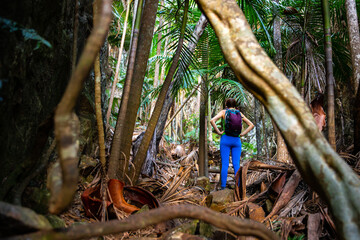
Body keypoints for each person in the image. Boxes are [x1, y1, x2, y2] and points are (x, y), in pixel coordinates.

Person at [210, 98, 254, 190]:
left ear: (226, 105)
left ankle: (223, 188)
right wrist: (242, 134)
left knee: (225, 164)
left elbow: (212, 121)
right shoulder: (239, 113)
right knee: (236, 164)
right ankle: (238, 187)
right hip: (236, 140)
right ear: (235, 105)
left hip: (225, 139)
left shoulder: (223, 112)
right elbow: (251, 125)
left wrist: (218, 131)